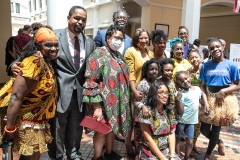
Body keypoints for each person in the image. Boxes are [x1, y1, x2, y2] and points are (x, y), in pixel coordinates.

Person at [10, 6, 96, 160]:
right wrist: (13, 65)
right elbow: (28, 53)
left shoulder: (90, 42)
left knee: (76, 127)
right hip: (59, 92)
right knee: (58, 127)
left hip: (79, 94)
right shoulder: (54, 36)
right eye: (77, 18)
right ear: (68, 17)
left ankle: (73, 154)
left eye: (83, 20)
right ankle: (58, 155)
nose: (80, 22)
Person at [0, 27, 59, 160]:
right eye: (48, 45)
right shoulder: (34, 61)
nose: (53, 48)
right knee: (30, 156)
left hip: (36, 119)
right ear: (37, 46)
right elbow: (16, 96)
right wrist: (10, 128)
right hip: (24, 119)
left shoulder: (46, 61)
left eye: (56, 45)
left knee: (33, 155)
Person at [82, 24, 131, 160]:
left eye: (121, 39)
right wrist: (96, 107)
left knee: (112, 129)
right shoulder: (98, 54)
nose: (119, 41)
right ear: (108, 38)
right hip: (103, 103)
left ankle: (109, 153)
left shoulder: (118, 56)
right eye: (116, 37)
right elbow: (91, 81)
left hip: (116, 104)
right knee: (101, 130)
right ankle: (97, 157)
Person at [199, 38, 240, 160]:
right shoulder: (205, 66)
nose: (215, 49)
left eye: (217, 47)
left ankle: (207, 154)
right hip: (209, 99)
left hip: (223, 101)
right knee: (204, 130)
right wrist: (205, 102)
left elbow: (238, 84)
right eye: (212, 48)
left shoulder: (231, 65)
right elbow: (202, 85)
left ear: (222, 47)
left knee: (216, 128)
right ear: (209, 51)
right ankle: (218, 141)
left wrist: (224, 91)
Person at [124, 28, 154, 156]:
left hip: (147, 91)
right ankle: (127, 143)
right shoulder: (131, 51)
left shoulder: (150, 53)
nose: (144, 40)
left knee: (142, 119)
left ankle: (140, 144)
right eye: (141, 38)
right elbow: (129, 72)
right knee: (131, 119)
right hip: (134, 91)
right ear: (136, 39)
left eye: (146, 37)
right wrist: (134, 90)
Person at [135, 80, 177, 160]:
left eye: (166, 92)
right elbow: (148, 140)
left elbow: (171, 133)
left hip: (166, 150)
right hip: (150, 151)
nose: (165, 95)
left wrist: (172, 155)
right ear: (154, 94)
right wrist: (163, 159)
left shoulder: (169, 111)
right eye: (161, 92)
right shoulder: (146, 113)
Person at [133, 59, 160, 158]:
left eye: (156, 69)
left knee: (150, 138)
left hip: (153, 115)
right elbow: (136, 101)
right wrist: (143, 106)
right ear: (146, 71)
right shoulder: (143, 84)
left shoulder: (158, 82)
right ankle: (138, 155)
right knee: (140, 138)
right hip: (141, 115)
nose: (154, 71)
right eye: (151, 69)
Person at [175, 71, 203, 160]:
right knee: (178, 139)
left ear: (189, 77)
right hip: (181, 121)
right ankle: (178, 156)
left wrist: (205, 105)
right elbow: (180, 111)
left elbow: (201, 97)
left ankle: (186, 157)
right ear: (178, 83)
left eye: (186, 79)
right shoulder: (180, 94)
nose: (185, 82)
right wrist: (178, 99)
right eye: (182, 81)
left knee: (190, 142)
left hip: (192, 121)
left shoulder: (197, 89)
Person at [187, 51, 202, 155]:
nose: (194, 59)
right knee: (192, 123)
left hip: (202, 101)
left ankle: (194, 143)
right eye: (191, 58)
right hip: (192, 101)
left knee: (199, 125)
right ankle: (190, 144)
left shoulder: (204, 70)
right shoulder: (188, 71)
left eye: (196, 57)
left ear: (200, 57)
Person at [157, 58, 178, 131]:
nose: (170, 72)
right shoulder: (158, 83)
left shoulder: (173, 81)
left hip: (173, 113)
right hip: (162, 113)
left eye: (171, 70)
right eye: (167, 70)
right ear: (161, 70)